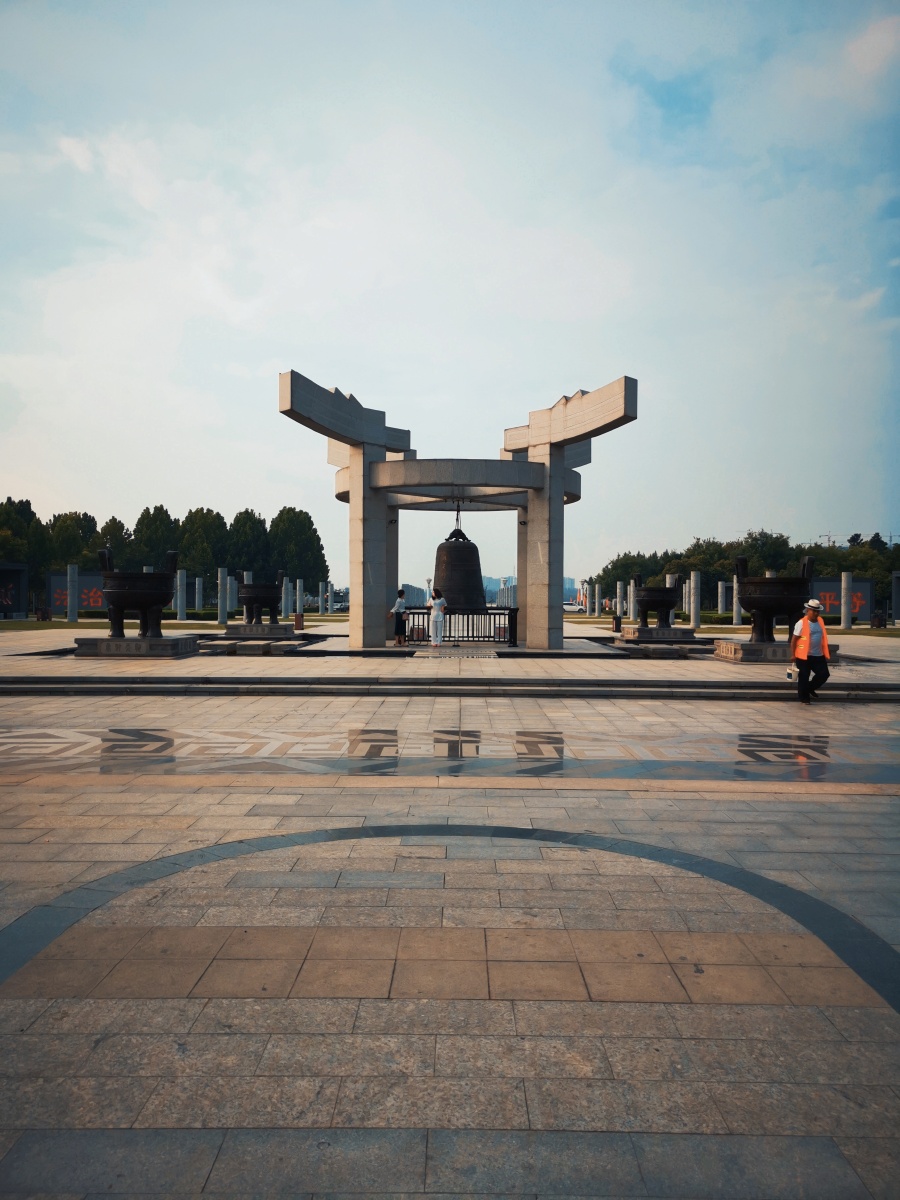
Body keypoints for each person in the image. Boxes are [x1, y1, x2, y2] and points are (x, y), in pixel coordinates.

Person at [789, 598, 830, 704]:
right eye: (814, 611)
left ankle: (809, 688)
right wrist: (793, 654)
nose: (816, 613)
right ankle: (804, 698)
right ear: (808, 610)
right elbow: (794, 640)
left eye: (818, 611)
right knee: (804, 677)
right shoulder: (801, 623)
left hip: (818, 655)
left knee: (824, 674)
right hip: (803, 656)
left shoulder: (820, 621)